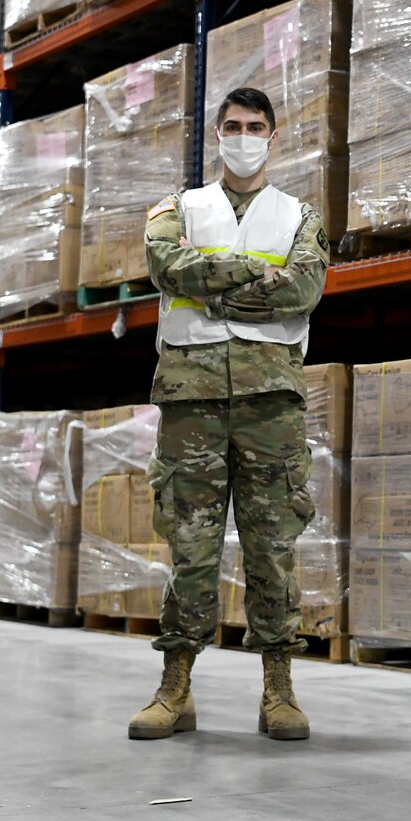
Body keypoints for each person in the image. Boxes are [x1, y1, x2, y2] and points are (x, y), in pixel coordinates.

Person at [130, 86, 331, 742]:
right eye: (233, 125)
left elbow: (305, 283)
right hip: (191, 400)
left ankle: (279, 687)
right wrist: (251, 276)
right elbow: (165, 263)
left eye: (255, 126)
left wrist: (211, 279)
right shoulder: (178, 207)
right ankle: (175, 686)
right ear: (217, 134)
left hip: (270, 402)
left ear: (273, 138)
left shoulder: (298, 214)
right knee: (189, 547)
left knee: (273, 547)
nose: (243, 135)